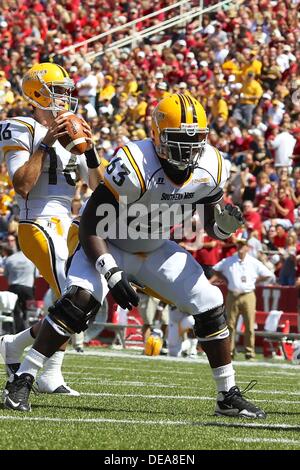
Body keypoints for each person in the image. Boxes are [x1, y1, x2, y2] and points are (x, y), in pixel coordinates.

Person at [3, 93, 266, 419]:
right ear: (157, 136)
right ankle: (24, 377)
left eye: (195, 140)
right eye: (179, 140)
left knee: (209, 300)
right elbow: (90, 222)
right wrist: (111, 272)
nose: (189, 149)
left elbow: (213, 225)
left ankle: (227, 394)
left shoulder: (212, 165)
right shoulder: (134, 162)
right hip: (105, 240)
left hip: (153, 246)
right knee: (80, 302)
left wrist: (224, 228)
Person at [0, 63, 103, 395]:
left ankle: (18, 348)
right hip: (37, 221)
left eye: (66, 90)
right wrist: (45, 144)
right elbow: (23, 186)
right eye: (58, 90)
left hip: (69, 224)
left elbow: (97, 188)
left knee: (78, 301)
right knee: (74, 297)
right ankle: (43, 371)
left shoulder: (74, 128)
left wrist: (91, 151)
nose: (65, 97)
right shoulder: (21, 127)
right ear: (36, 93)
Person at [210, 233, 275, 360]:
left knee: (249, 325)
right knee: (230, 325)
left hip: (248, 294)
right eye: (239, 244)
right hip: (233, 294)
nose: (240, 247)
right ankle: (229, 351)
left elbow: (268, 274)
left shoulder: (253, 262)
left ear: (248, 248)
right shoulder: (229, 260)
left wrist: (256, 281)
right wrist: (226, 279)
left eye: (243, 245)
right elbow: (215, 269)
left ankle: (249, 352)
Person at [3, 240, 37, 333]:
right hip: (28, 288)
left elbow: (5, 275)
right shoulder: (32, 258)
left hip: (13, 288)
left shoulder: (10, 259)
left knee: (16, 312)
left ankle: (18, 333)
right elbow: (37, 275)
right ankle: (30, 332)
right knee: (30, 311)